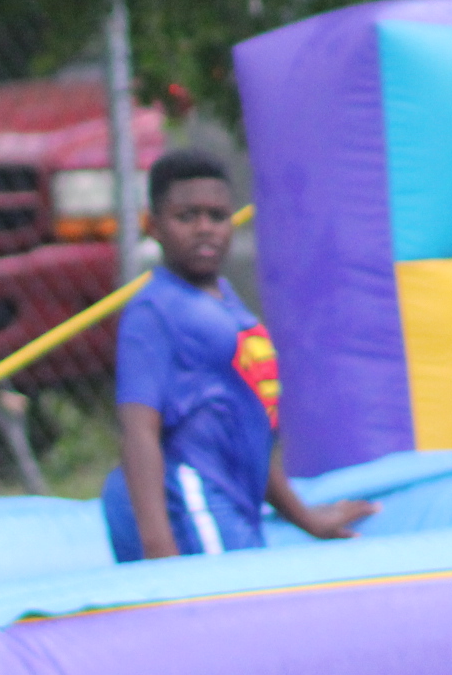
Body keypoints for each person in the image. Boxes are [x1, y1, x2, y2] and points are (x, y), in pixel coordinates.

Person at [101, 148, 374, 561]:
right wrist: (159, 550)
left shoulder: (228, 304)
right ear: (153, 226)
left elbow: (246, 432)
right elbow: (139, 432)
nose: (204, 229)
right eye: (186, 217)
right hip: (191, 502)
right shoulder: (154, 312)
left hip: (230, 504)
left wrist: (305, 518)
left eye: (217, 216)